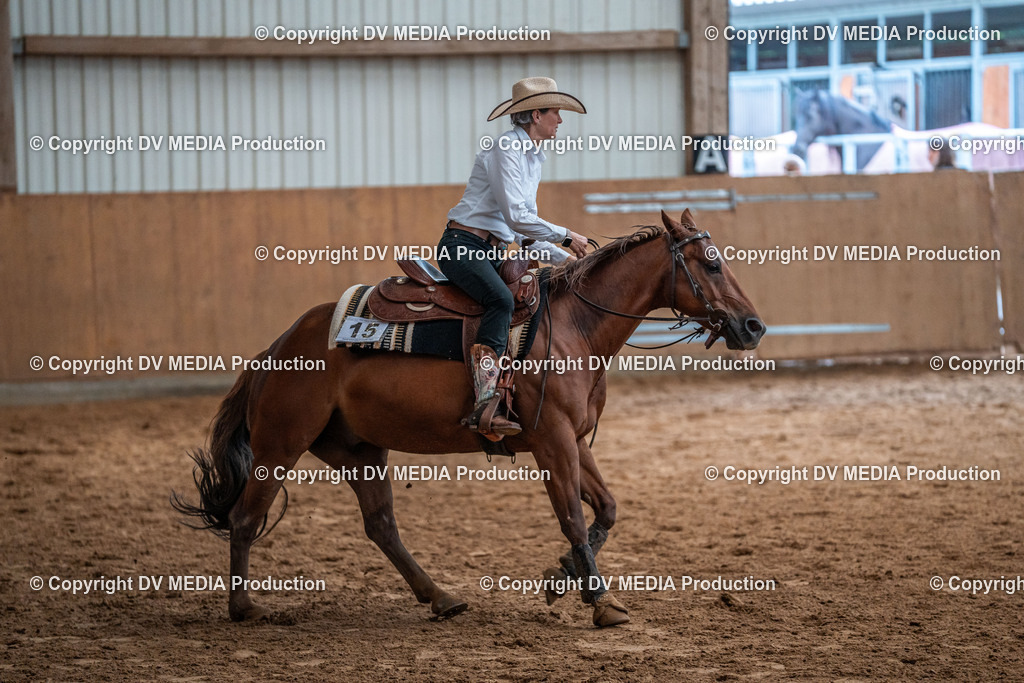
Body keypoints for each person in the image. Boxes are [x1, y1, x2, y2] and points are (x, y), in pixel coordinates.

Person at [440, 76, 590, 437]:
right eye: (555, 112)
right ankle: (486, 397)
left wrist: (566, 259)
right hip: (463, 246)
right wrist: (568, 237)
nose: (561, 120)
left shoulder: (532, 158)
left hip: (491, 250)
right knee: (500, 300)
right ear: (536, 115)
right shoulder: (506, 149)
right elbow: (517, 217)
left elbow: (522, 233)